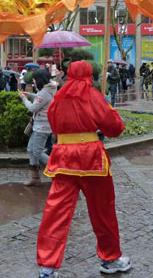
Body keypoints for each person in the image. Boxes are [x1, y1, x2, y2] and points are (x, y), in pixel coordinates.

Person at [36, 61, 131, 277]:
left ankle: (47, 266)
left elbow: (53, 121)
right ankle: (110, 259)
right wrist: (111, 111)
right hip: (91, 159)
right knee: (103, 210)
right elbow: (115, 128)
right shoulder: (93, 95)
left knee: (56, 211)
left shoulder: (58, 97)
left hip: (63, 158)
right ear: (89, 75)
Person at [19, 68, 57, 187]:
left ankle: (57, 172)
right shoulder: (50, 89)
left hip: (42, 126)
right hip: (41, 125)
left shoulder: (44, 92)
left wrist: (24, 99)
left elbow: (33, 108)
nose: (34, 81)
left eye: (34, 79)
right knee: (31, 149)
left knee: (38, 152)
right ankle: (35, 177)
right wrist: (30, 94)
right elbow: (41, 99)